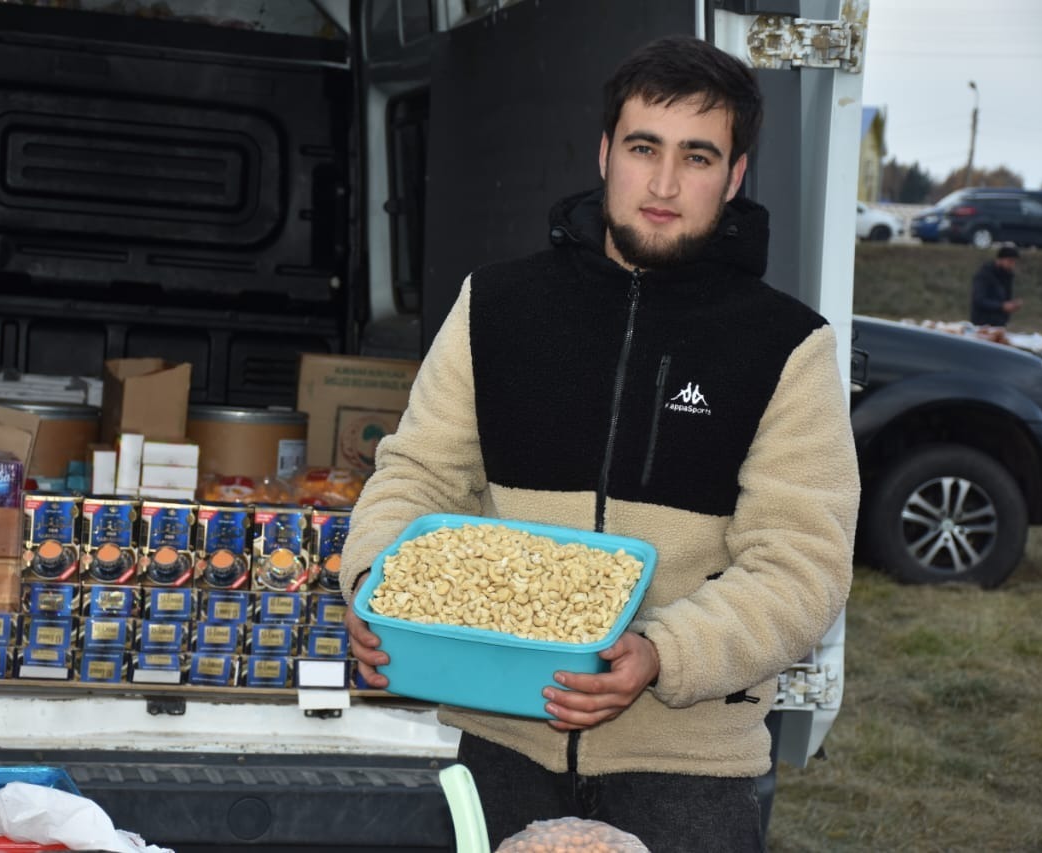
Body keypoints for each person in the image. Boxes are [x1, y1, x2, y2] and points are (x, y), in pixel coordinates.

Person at [339, 34, 859, 852]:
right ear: (606, 151)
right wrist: (377, 578)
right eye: (644, 148)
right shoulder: (497, 306)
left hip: (688, 772)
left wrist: (661, 652)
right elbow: (417, 476)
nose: (663, 183)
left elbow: (803, 566)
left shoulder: (787, 346)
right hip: (502, 747)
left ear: (735, 176)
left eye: (697, 156)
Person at [969, 245, 1022, 327]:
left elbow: (1006, 297)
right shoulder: (984, 275)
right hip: (982, 323)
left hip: (1000, 323)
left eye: (1014, 262)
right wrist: (1002, 306)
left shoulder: (1007, 276)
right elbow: (979, 300)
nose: (1012, 265)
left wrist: (1012, 305)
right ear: (999, 259)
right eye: (1010, 261)